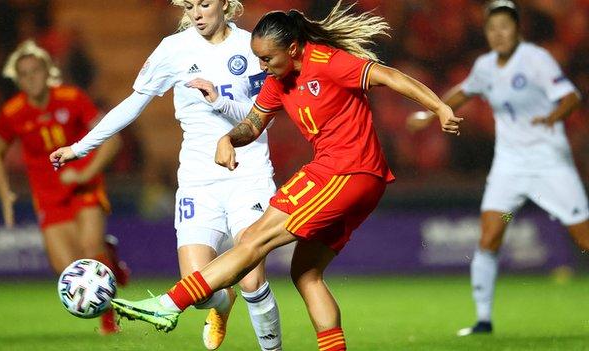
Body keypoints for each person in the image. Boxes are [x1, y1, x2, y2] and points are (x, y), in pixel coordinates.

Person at [96, 2, 462, 350]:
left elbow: (391, 76)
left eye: (268, 58)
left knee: (255, 238)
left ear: (294, 48)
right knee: (305, 273)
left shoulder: (329, 62)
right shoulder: (277, 79)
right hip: (360, 178)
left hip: (344, 170)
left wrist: (439, 106)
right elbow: (253, 124)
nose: (262, 65)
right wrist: (228, 138)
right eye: (258, 58)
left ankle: (169, 305)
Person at [49, 1, 283, 350]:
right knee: (197, 288)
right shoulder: (173, 50)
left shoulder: (251, 47)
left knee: (252, 280)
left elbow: (267, 114)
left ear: (224, 3)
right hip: (197, 181)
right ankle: (222, 303)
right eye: (189, 6)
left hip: (247, 175)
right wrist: (81, 147)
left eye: (204, 4)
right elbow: (132, 103)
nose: (197, 13)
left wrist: (219, 101)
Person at [406, 0, 589, 336]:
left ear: (517, 29)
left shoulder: (536, 60)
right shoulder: (486, 66)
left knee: (584, 238)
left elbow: (571, 97)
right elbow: (464, 92)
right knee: (492, 233)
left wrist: (553, 116)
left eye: (505, 26)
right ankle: (483, 320)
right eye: (492, 28)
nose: (499, 33)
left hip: (550, 166)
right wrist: (431, 114)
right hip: (509, 170)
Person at [0, 40, 129, 334]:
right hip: (49, 197)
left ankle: (107, 319)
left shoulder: (71, 97)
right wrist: (5, 195)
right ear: (18, 80)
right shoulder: (13, 112)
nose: (31, 78)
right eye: (24, 74)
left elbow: (112, 139)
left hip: (83, 187)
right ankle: (112, 261)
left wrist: (84, 173)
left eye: (36, 71)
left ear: (48, 71)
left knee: (90, 251)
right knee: (66, 269)